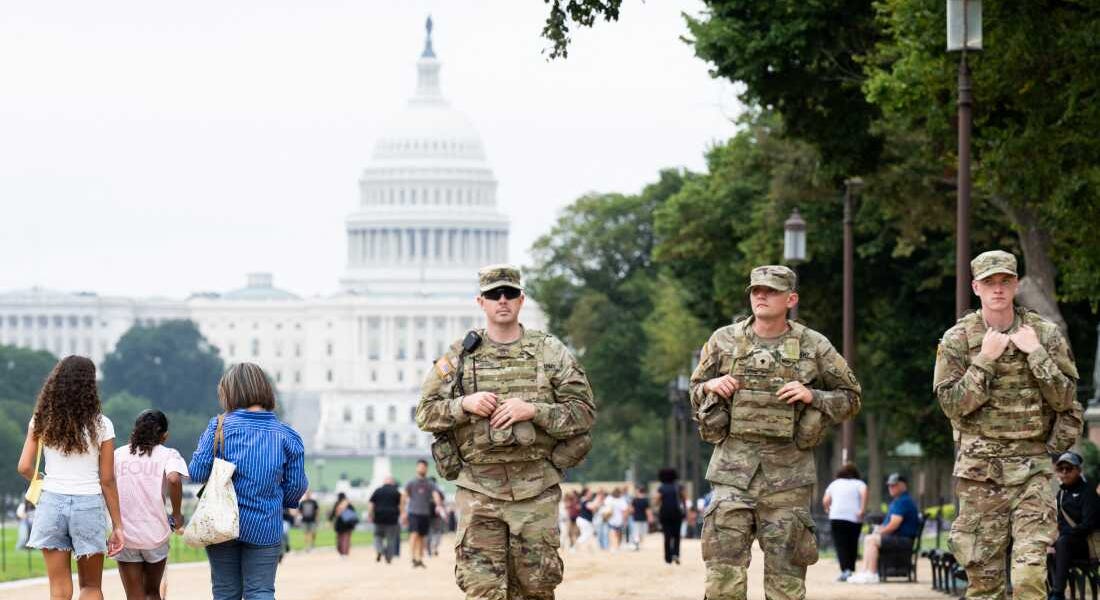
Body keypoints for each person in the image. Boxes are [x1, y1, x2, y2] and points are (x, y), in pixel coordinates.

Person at [416, 264, 597, 599]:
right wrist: (464, 404)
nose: (502, 300)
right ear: (481, 302)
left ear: (521, 299)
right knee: (483, 590)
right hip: (479, 490)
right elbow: (425, 414)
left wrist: (534, 410)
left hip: (536, 488)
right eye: (493, 294)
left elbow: (584, 413)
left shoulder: (549, 351)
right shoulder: (460, 356)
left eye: (510, 293)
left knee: (536, 588)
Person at [690, 265, 862, 600]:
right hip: (731, 477)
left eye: (771, 291)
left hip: (789, 481)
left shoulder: (814, 345)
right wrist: (710, 385)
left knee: (786, 585)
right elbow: (695, 390)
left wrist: (813, 396)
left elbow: (852, 399)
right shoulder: (723, 340)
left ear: (791, 299)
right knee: (722, 581)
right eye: (756, 290)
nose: (762, 296)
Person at [934, 250, 1081, 600]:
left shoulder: (1044, 334)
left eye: (1005, 281)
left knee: (1029, 576)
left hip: (1032, 470)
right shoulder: (957, 339)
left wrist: (1036, 353)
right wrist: (985, 359)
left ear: (1015, 285)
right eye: (989, 283)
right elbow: (951, 404)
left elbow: (1066, 399)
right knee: (985, 585)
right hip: (980, 475)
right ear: (976, 287)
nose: (997, 289)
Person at [189, 362, 309, 600]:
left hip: (221, 522)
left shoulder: (218, 427)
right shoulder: (286, 435)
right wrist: (276, 501)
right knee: (261, 591)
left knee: (225, 592)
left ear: (230, 392)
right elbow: (297, 485)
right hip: (265, 523)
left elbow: (197, 472)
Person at [17, 355, 125, 600]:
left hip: (51, 502)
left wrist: (43, 481)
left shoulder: (41, 420)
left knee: (59, 589)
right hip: (88, 504)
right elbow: (107, 479)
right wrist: (118, 525)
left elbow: (24, 466)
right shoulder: (102, 425)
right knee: (91, 587)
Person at [114, 409, 188, 600]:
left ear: (135, 431)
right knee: (152, 592)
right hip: (155, 534)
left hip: (126, 534)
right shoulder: (168, 454)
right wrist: (177, 514)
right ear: (164, 436)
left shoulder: (118, 455)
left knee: (134, 595)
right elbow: (173, 479)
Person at [847, 473, 920, 584]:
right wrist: (879, 530)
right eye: (889, 485)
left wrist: (879, 532)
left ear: (902, 485)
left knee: (872, 539)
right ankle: (865, 572)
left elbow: (894, 525)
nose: (890, 487)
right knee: (869, 538)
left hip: (904, 540)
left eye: (894, 485)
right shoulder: (899, 500)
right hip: (899, 538)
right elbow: (890, 524)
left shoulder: (903, 501)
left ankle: (872, 574)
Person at [1050, 452, 1100, 600]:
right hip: (1065, 544)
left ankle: (1058, 593)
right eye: (1061, 469)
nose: (1064, 472)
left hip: (1087, 544)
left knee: (1063, 542)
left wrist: (1062, 537)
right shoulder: (1060, 494)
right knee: (1044, 548)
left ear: (1078, 470)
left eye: (1069, 468)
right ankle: (1050, 590)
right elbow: (1057, 522)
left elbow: (1088, 525)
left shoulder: (1088, 492)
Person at [822, 462, 867, 582]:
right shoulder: (859, 483)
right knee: (852, 543)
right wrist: (862, 510)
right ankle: (850, 569)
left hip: (837, 516)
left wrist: (828, 509)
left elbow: (826, 500)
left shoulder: (834, 484)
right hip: (854, 518)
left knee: (840, 545)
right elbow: (864, 494)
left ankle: (845, 570)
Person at [401, 459, 442, 568]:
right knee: (414, 534)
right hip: (413, 512)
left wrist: (438, 504)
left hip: (425, 513)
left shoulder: (430, 483)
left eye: (424, 467)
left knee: (421, 537)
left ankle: (419, 558)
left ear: (426, 469)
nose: (422, 469)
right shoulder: (411, 482)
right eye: (420, 466)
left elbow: (436, 494)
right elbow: (404, 497)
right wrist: (403, 512)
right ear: (417, 468)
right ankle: (412, 557)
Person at [654, 468, 686, 565]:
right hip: (677, 514)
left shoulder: (662, 487)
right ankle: (676, 554)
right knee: (677, 535)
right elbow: (684, 499)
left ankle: (668, 558)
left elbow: (656, 501)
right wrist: (685, 511)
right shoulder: (678, 487)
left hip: (665, 514)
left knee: (667, 536)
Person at [370, 476, 402, 563]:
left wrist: (371, 514)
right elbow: (401, 505)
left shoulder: (377, 491)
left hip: (378, 517)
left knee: (377, 536)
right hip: (392, 518)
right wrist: (401, 514)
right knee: (391, 538)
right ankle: (389, 557)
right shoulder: (396, 492)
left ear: (384, 482)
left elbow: (371, 504)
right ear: (392, 483)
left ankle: (380, 549)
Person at [330, 492, 358, 557]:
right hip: (348, 524)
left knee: (339, 539)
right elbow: (354, 513)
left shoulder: (337, 504)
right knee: (346, 539)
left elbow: (333, 513)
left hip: (340, 524)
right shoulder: (349, 504)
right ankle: (345, 552)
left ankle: (342, 552)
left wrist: (330, 519)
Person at [628, 486, 652, 551]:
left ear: (639, 492)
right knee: (642, 532)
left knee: (636, 532)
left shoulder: (634, 500)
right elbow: (648, 510)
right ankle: (639, 543)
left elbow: (631, 510)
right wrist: (650, 517)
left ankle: (637, 544)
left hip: (636, 518)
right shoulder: (646, 500)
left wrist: (630, 512)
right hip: (643, 518)